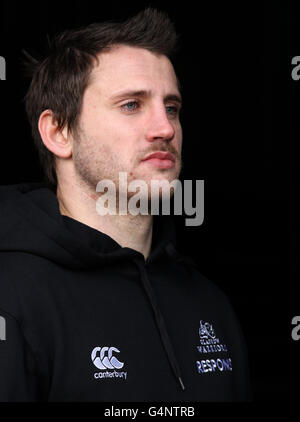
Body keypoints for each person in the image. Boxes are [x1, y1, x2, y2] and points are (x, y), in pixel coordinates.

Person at [0, 8, 251, 401]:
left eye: (171, 107)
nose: (165, 128)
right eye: (132, 104)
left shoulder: (209, 303)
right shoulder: (11, 297)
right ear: (59, 132)